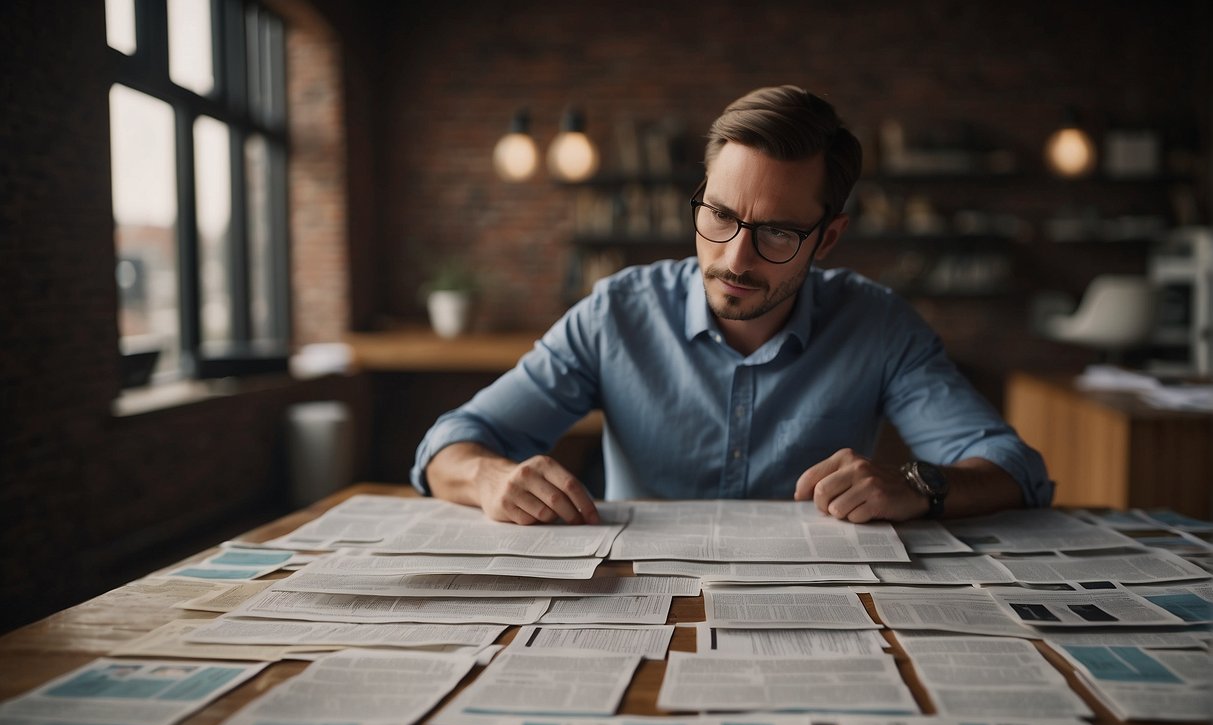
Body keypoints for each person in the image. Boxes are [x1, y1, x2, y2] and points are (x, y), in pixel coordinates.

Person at [410, 84, 1053, 526]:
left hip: (813, 608)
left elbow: (1014, 469)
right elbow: (450, 444)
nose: (735, 260)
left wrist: (920, 487)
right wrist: (492, 480)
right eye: (719, 215)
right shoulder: (617, 314)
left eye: (777, 232)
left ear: (826, 239)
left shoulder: (878, 325)